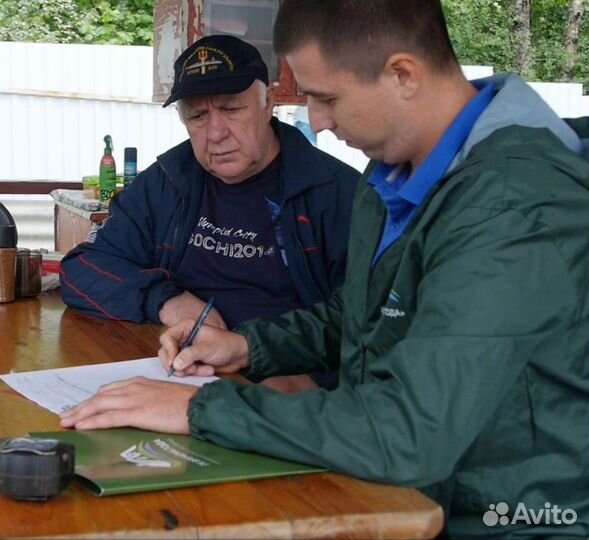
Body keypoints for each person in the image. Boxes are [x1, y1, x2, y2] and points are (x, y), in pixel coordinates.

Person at [60, 1, 589, 538]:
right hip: (399, 489)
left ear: (402, 73)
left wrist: (203, 409)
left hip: (510, 518)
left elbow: (408, 434)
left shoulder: (509, 204)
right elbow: (362, 314)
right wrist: (247, 346)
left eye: (326, 97)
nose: (315, 120)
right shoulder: (394, 174)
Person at [59, 35, 359, 391]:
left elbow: (364, 321)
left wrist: (286, 371)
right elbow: (81, 270)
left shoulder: (336, 192)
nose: (215, 133)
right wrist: (167, 301)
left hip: (287, 387)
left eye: (232, 109)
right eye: (198, 116)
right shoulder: (169, 181)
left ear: (269, 103)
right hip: (176, 370)